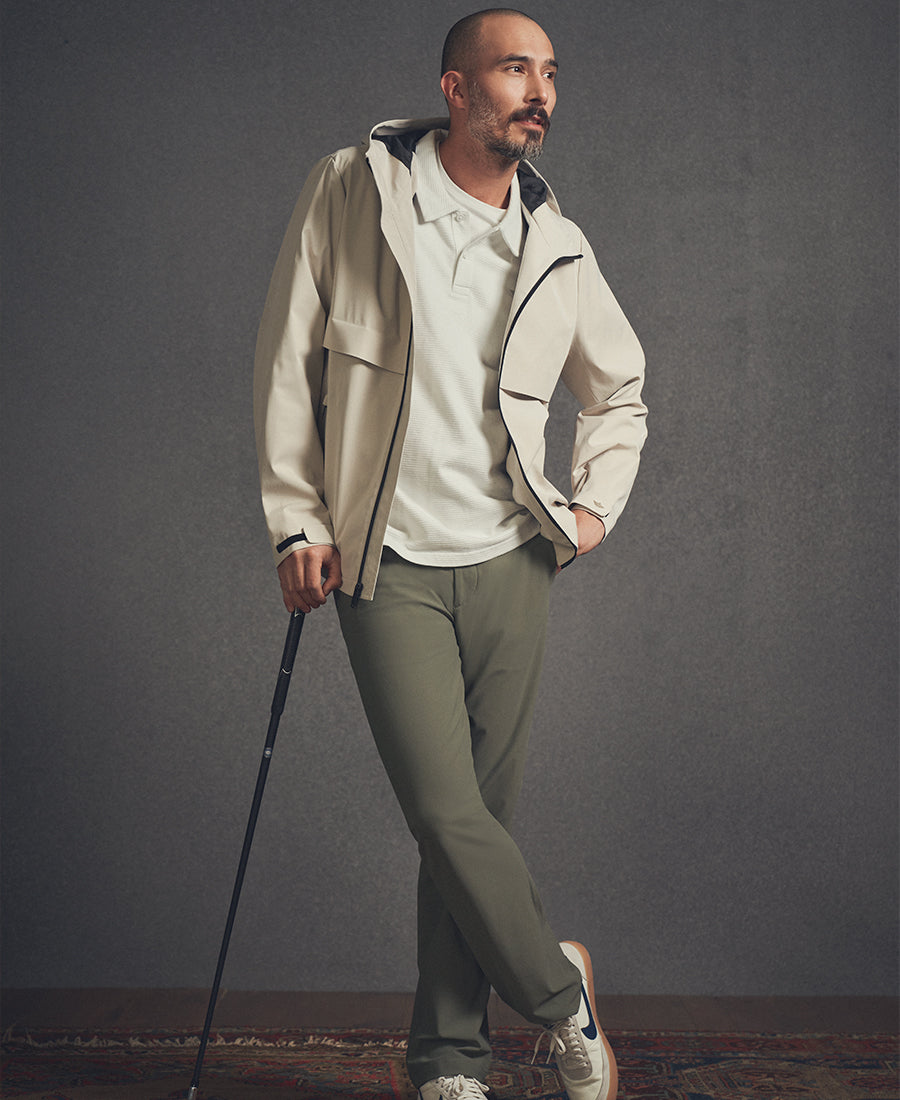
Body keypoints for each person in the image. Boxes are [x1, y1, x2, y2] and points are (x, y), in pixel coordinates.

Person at [253, 9, 646, 1099]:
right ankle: (560, 994)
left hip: (514, 560)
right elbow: (288, 359)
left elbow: (619, 390)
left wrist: (590, 509)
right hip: (386, 559)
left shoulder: (556, 243)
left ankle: (448, 1063)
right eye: (516, 68)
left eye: (550, 72)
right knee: (444, 810)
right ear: (456, 87)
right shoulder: (354, 190)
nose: (540, 91)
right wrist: (297, 520)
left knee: (473, 830)